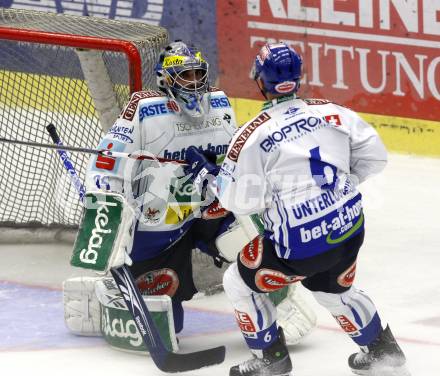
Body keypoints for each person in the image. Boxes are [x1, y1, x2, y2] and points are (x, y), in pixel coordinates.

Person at [64, 41, 316, 350]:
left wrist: (222, 173)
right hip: (160, 220)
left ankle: (280, 297)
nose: (194, 83)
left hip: (211, 209)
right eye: (185, 76)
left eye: (198, 74)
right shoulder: (144, 109)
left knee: (253, 239)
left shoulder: (220, 104)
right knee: (166, 322)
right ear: (166, 79)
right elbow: (105, 163)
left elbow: (237, 162)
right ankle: (103, 297)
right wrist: (110, 207)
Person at [184, 42, 409, 376]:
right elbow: (375, 157)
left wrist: (209, 175)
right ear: (298, 77)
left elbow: (237, 201)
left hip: (300, 245)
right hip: (348, 229)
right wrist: (335, 192)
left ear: (260, 81)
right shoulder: (333, 112)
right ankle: (382, 350)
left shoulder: (253, 134)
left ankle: (270, 359)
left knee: (237, 280)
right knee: (333, 288)